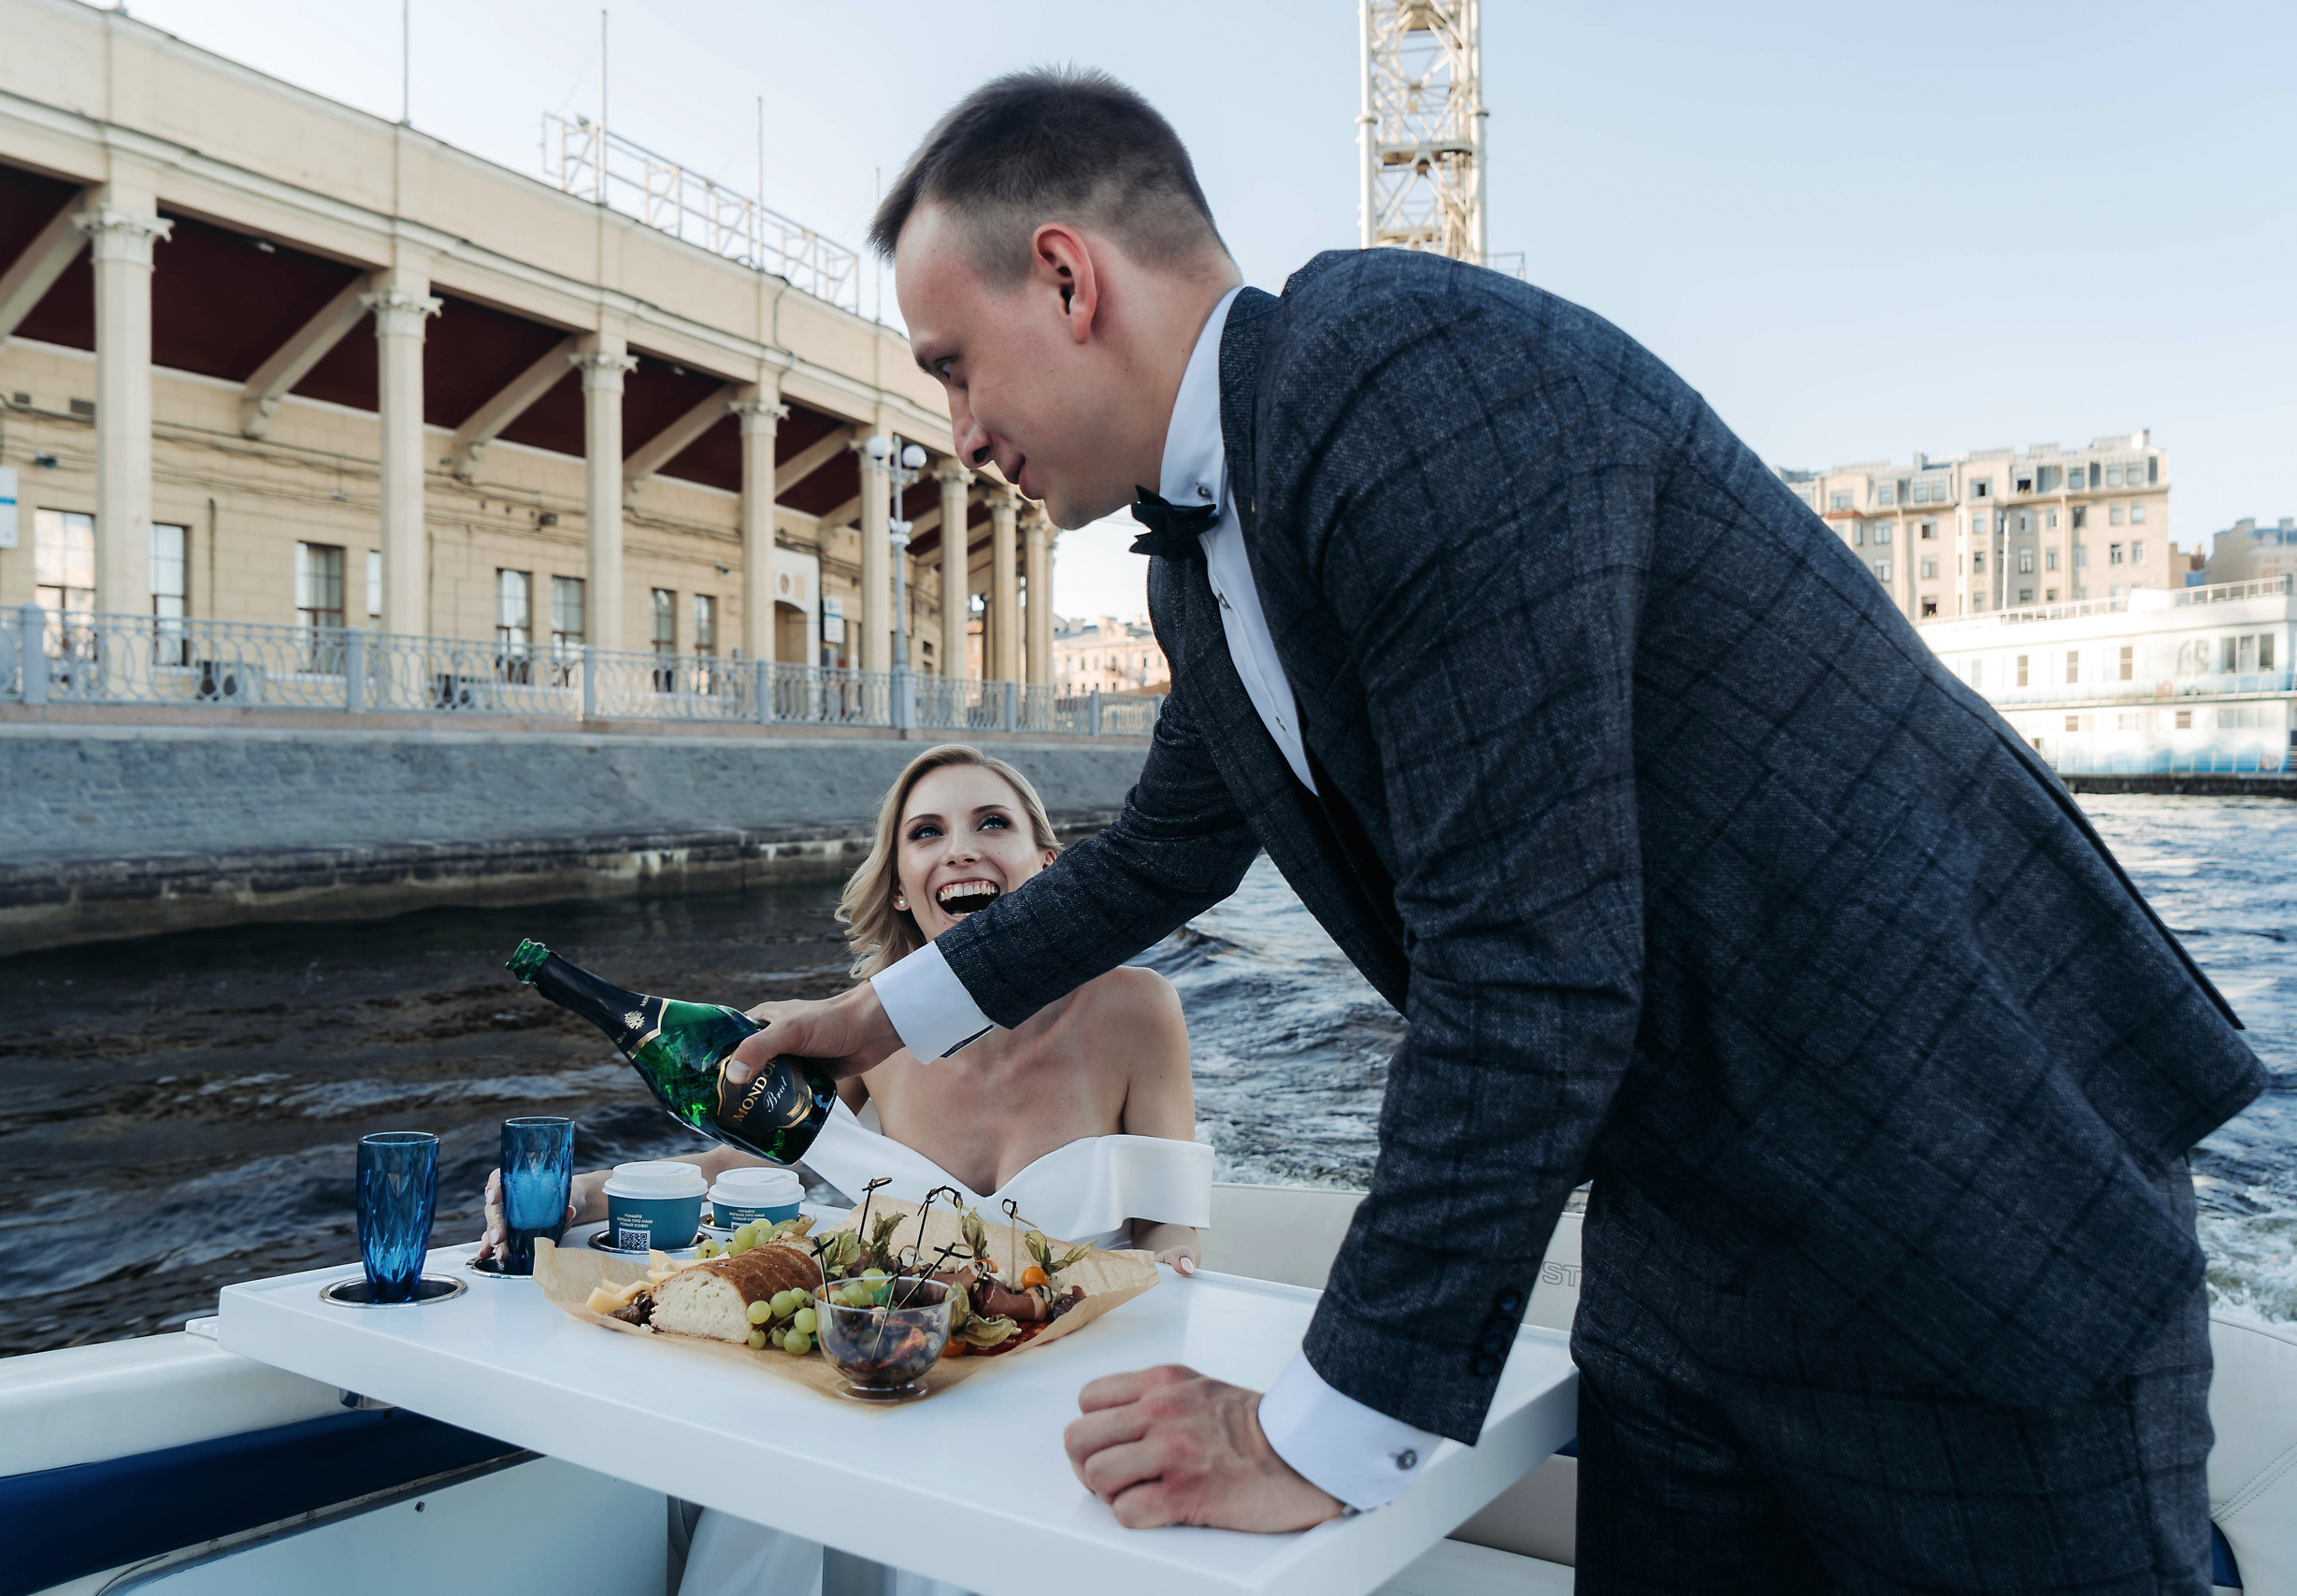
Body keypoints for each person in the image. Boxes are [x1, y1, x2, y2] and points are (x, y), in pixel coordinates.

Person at [724, 67, 2270, 1592]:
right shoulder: (1197, 566)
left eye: (951, 363)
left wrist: (1317, 1438)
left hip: (1962, 1205)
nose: (957, 426)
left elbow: (1528, 967)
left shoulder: (1407, 382)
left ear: (1065, 277)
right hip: (1684, 1242)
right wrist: (873, 1015)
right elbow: (1164, 854)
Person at [480, 744, 1211, 1596]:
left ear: (1049, 865)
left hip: (1062, 1402)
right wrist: (588, 1190)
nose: (960, 849)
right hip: (891, 1381)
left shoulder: (1137, 1008)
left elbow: (1172, 1231)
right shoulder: (871, 1024)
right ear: (902, 883)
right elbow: (750, 1159)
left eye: (993, 823)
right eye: (927, 832)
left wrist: (1175, 1275)